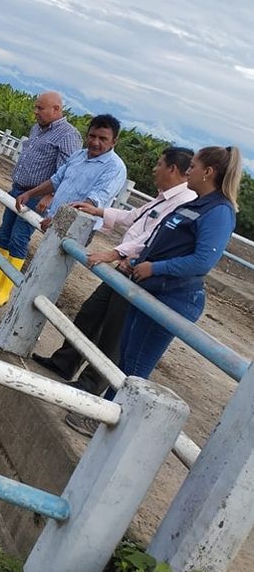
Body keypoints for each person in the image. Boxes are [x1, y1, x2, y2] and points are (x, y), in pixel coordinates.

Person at [65, 146, 242, 437]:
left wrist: (156, 268)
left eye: (193, 166)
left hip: (174, 297)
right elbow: (161, 242)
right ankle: (110, 416)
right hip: (153, 290)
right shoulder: (197, 204)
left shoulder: (219, 211)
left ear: (208, 172)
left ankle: (111, 424)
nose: (188, 171)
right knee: (127, 358)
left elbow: (203, 261)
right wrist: (138, 262)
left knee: (135, 366)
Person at [32, 147, 196, 401]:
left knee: (113, 333)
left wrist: (114, 253)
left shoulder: (184, 201)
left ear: (172, 169)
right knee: (90, 314)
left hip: (138, 273)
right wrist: (97, 211)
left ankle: (91, 385)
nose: (155, 169)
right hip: (124, 269)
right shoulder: (164, 197)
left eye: (159, 164)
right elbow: (134, 217)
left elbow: (152, 239)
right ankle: (65, 362)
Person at [0, 91, 81, 306]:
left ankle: (5, 289)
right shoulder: (37, 128)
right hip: (18, 190)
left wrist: (50, 195)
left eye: (40, 108)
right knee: (5, 234)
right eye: (36, 107)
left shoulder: (68, 136)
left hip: (37, 196)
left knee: (19, 238)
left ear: (56, 109)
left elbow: (68, 171)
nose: (35, 112)